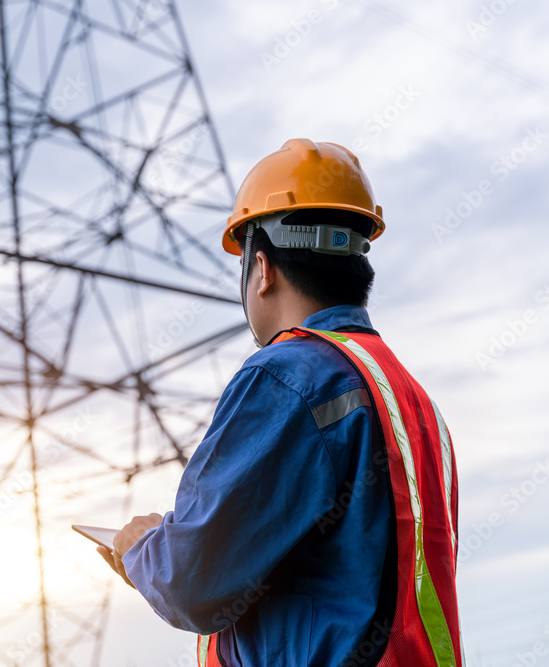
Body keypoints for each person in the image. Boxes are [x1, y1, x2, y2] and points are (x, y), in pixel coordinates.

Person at [97, 139, 463, 666]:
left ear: (261, 269)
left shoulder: (290, 375)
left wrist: (141, 549)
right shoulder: (409, 397)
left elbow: (193, 580)